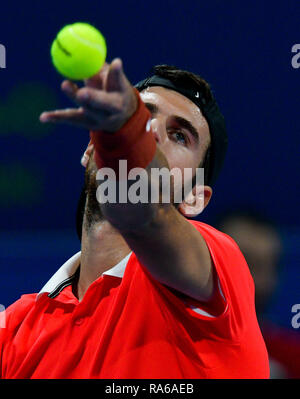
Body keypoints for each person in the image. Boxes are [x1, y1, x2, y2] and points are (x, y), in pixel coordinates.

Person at [0, 59, 269, 379]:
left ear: (195, 198)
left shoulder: (219, 267)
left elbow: (144, 215)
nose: (150, 133)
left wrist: (126, 138)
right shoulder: (13, 333)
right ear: (91, 147)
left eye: (179, 136)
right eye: (142, 117)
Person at [216, 209, 300, 378]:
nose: (262, 283)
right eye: (248, 263)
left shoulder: (291, 357)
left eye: (270, 266)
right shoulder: (165, 341)